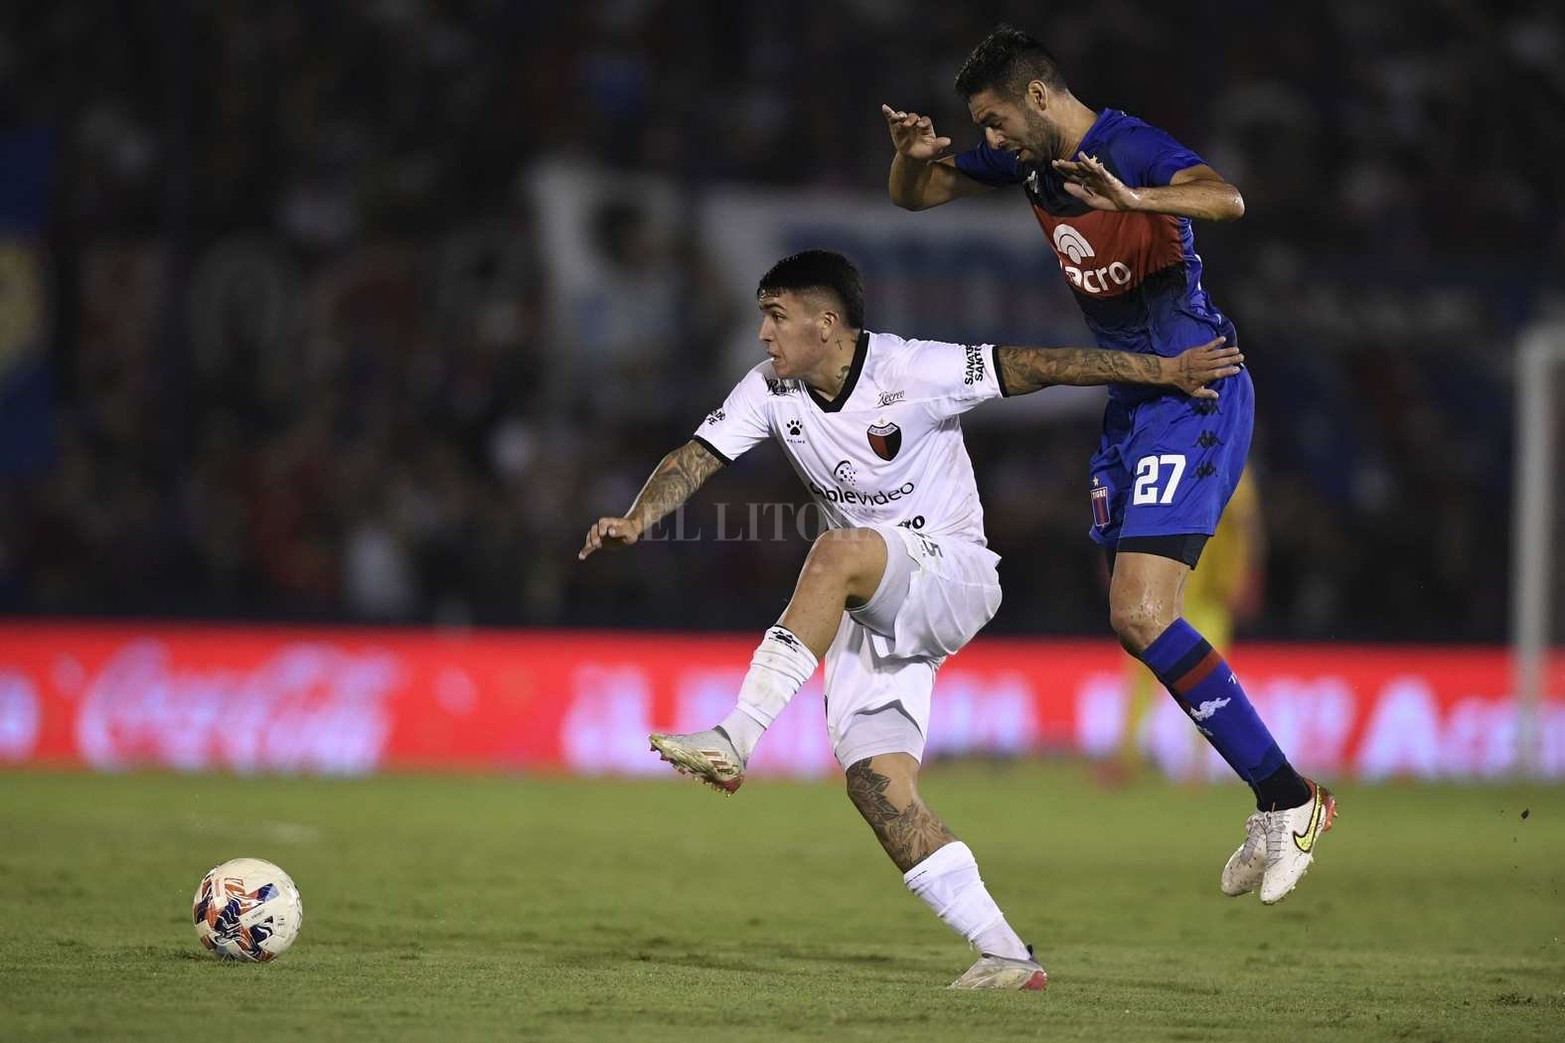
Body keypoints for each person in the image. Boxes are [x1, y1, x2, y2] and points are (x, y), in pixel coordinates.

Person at [578, 249, 1241, 990]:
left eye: (775, 316)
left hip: (952, 572)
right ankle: (1005, 951)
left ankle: (735, 736)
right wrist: (638, 519)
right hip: (873, 600)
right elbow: (696, 455)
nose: (762, 334)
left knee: (835, 549)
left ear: (825, 323)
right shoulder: (768, 389)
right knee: (877, 788)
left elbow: (1041, 364)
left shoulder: (912, 369)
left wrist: (1167, 372)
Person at [880, 25, 1336, 905]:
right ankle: (1283, 795)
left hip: (1192, 384)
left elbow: (1227, 197)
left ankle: (1289, 800)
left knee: (1140, 609)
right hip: (1133, 397)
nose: (992, 141)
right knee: (1132, 620)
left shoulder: (1121, 143)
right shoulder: (1026, 161)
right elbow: (916, 196)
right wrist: (908, 158)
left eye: (997, 122)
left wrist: (1142, 195)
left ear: (1040, 99)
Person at [1111, 468, 1264, 783]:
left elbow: (1245, 524)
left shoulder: (1228, 459)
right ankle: (1128, 757)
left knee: (1205, 678)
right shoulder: (1189, 453)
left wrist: (1244, 573)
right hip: (1164, 587)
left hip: (1206, 592)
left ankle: (1197, 763)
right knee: (1150, 675)